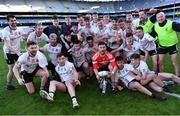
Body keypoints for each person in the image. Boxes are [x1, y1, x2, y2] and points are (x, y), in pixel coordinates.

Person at [150, 11, 180, 76]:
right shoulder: (155, 26)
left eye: (161, 16)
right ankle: (162, 77)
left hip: (172, 46)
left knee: (174, 62)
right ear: (156, 18)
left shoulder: (171, 24)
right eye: (158, 17)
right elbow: (152, 35)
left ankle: (177, 78)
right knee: (160, 63)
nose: (160, 18)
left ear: (164, 16)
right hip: (162, 46)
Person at [2, 15, 24, 90]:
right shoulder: (5, 31)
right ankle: (9, 84)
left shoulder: (19, 29)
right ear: (8, 22)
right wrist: (17, 52)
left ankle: (24, 80)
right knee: (11, 68)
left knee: (21, 66)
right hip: (9, 52)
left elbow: (24, 37)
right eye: (12, 20)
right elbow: (8, 45)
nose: (14, 22)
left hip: (17, 51)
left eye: (14, 20)